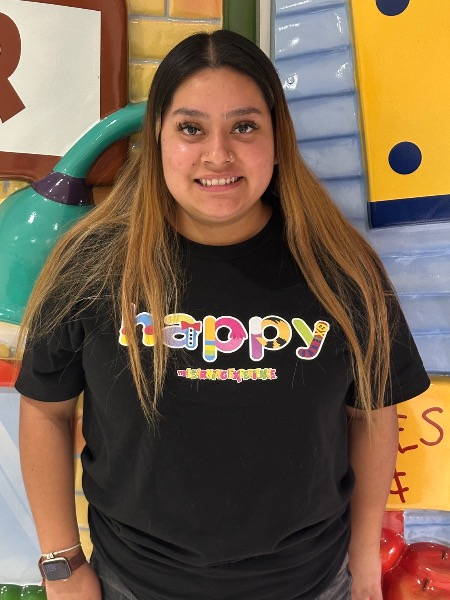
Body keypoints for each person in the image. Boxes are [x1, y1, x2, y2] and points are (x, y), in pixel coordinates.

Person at [16, 30, 430, 600]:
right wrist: (61, 566)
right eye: (191, 128)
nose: (218, 155)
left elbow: (373, 417)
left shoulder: (342, 269)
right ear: (157, 138)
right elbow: (45, 409)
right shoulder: (91, 264)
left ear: (277, 139)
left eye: (244, 126)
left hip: (312, 585)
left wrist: (364, 565)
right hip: (133, 585)